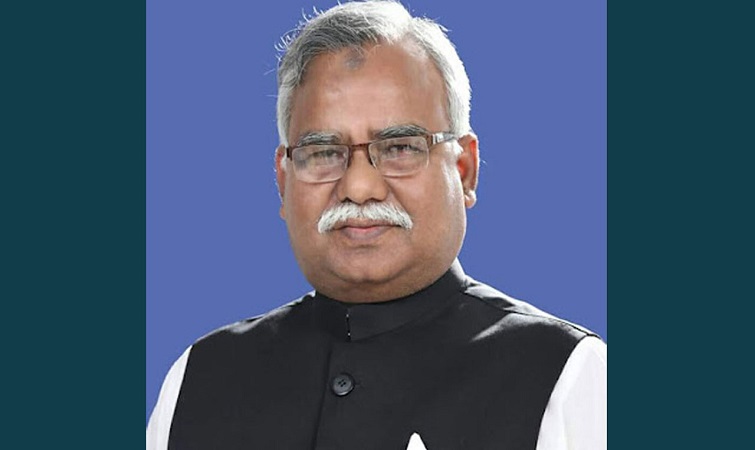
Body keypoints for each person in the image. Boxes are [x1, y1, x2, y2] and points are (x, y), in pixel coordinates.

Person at [147, 1, 606, 449]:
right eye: (324, 152)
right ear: (284, 182)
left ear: (464, 170)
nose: (360, 187)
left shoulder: (564, 377)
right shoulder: (199, 380)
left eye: (400, 148)